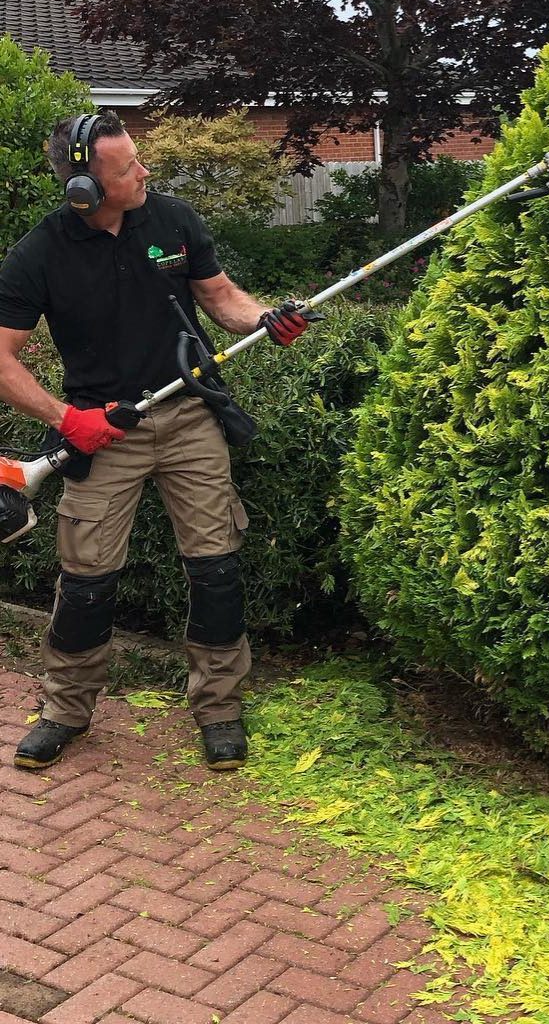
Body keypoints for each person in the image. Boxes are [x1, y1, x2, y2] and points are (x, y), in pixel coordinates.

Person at [0, 111, 318, 771]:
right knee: (86, 581)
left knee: (216, 568)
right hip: (101, 428)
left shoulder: (173, 220)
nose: (145, 173)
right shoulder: (39, 253)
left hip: (188, 415)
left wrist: (265, 318)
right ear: (84, 189)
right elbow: (2, 359)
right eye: (128, 168)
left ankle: (220, 709)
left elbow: (221, 297)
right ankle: (65, 710)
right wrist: (65, 417)